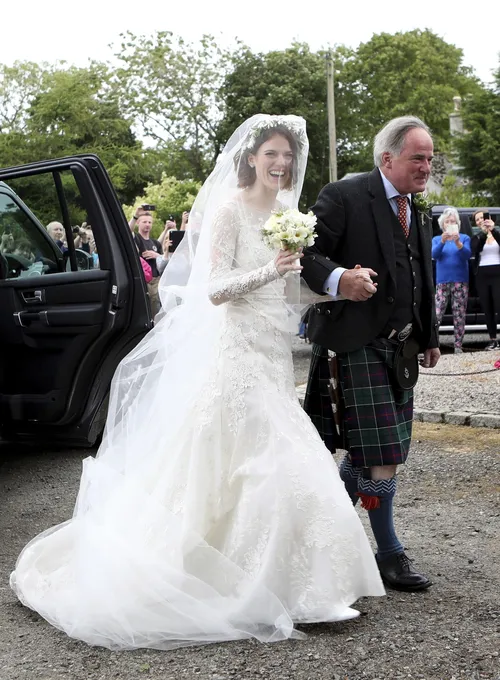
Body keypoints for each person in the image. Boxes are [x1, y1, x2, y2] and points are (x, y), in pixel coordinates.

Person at [10, 114, 384, 652]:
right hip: (233, 352)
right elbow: (212, 291)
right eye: (271, 154)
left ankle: (298, 583)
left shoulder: (288, 215)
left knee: (274, 455)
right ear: (252, 158)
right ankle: (249, 584)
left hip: (272, 351)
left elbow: (287, 294)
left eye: (288, 157)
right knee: (270, 455)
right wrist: (272, 270)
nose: (281, 164)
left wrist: (336, 292)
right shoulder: (230, 209)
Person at [302, 116, 441, 593]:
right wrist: (341, 279)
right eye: (417, 157)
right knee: (382, 455)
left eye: (429, 158)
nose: (426, 166)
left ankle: (322, 540)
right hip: (353, 342)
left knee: (371, 455)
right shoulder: (344, 195)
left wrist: (431, 335)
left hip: (401, 348)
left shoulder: (417, 210)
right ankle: (388, 553)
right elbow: (307, 255)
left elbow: (422, 277)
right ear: (388, 158)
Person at [432, 206, 472, 353]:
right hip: (442, 281)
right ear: (443, 224)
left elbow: (467, 255)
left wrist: (458, 243)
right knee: (437, 314)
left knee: (459, 314)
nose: (450, 223)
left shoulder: (464, 238)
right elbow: (434, 255)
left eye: (453, 221)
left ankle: (458, 346)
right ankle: (433, 345)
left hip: (460, 281)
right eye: (447, 221)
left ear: (457, 224)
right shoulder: (437, 239)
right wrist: (443, 241)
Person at [471, 210, 500, 350]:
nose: (481, 220)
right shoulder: (476, 237)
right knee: (487, 308)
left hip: (498, 273)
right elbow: (475, 249)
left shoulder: (497, 234)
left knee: (499, 305)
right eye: (477, 219)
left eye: (483, 218)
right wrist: (483, 233)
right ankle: (492, 339)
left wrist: (493, 230)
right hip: (482, 275)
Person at [132, 213, 168, 316]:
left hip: (156, 281)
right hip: (144, 280)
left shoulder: (155, 243)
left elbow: (164, 260)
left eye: (149, 222)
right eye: (144, 222)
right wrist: (135, 216)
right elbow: (128, 230)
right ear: (138, 223)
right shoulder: (137, 238)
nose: (147, 224)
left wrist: (156, 255)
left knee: (156, 311)